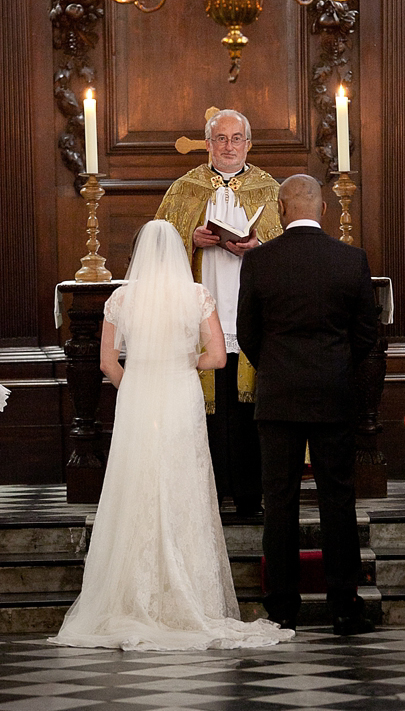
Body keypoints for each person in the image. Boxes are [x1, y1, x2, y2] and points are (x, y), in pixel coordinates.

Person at [50, 220, 293, 651]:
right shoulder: (197, 295)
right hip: (181, 397)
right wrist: (181, 364)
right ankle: (191, 596)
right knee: (183, 486)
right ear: (181, 255)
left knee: (137, 486)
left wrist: (140, 383)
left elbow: (108, 365)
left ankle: (129, 596)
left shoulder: (120, 299)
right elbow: (218, 358)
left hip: (140, 399)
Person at [237, 174, 378, 634]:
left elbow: (250, 335)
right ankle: (343, 606)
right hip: (334, 394)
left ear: (280, 209)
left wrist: (278, 369)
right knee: (338, 498)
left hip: (277, 395)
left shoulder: (259, 262)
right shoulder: (350, 259)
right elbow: (365, 335)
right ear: (322, 209)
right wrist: (335, 365)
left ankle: (281, 608)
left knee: (279, 501)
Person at [155, 109, 282, 517]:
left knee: (248, 411)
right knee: (205, 411)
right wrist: (190, 238)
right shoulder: (184, 188)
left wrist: (259, 244)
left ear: (249, 143)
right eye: (221, 139)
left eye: (236, 138)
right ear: (208, 144)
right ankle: (204, 499)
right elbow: (156, 248)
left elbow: (287, 247)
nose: (229, 146)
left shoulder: (268, 189)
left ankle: (248, 495)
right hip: (199, 317)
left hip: (251, 315)